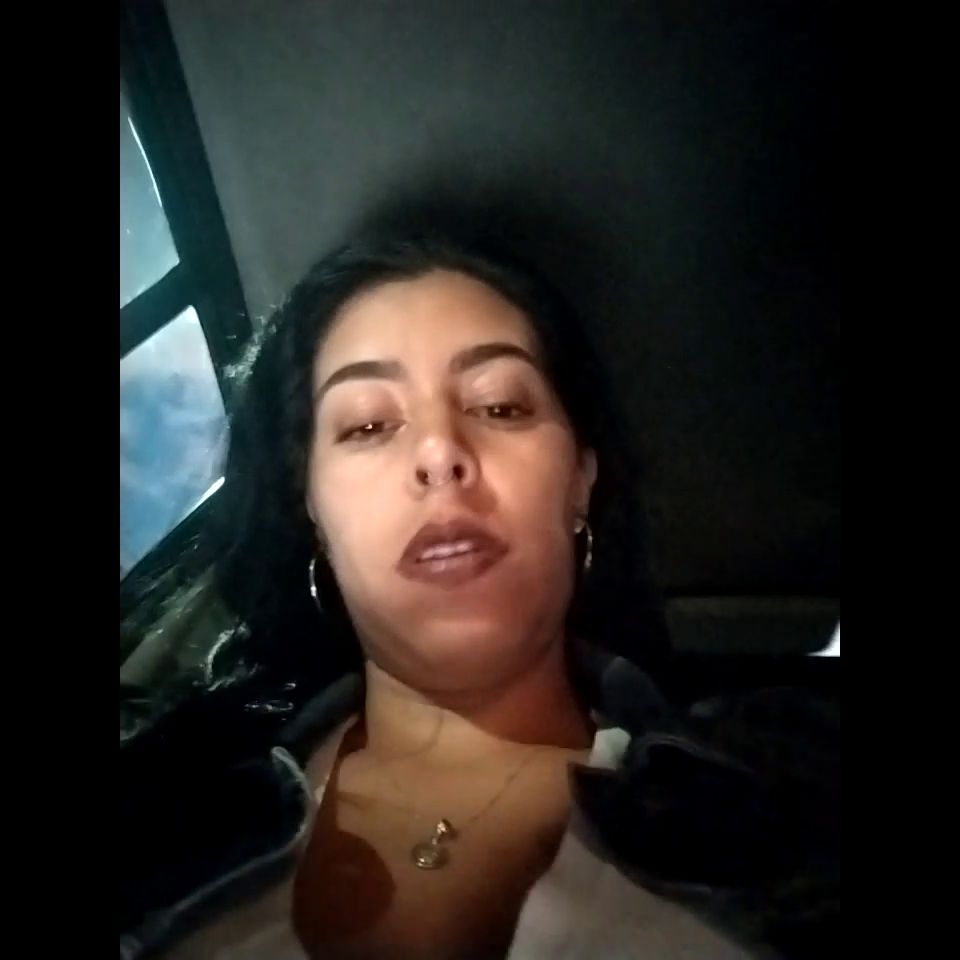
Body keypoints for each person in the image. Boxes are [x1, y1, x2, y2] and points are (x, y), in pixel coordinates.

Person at [120, 228, 839, 960]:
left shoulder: (797, 785)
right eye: (368, 424)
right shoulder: (156, 815)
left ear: (580, 480)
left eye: (499, 407)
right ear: (312, 513)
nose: (440, 452)